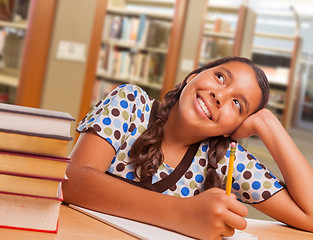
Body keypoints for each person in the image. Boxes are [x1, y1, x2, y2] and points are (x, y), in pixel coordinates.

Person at [62, 57, 313, 240]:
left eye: (237, 104)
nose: (220, 96)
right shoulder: (130, 103)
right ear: (193, 77)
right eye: (221, 77)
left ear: (233, 128)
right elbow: (73, 180)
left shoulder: (225, 159)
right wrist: (183, 214)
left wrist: (268, 124)